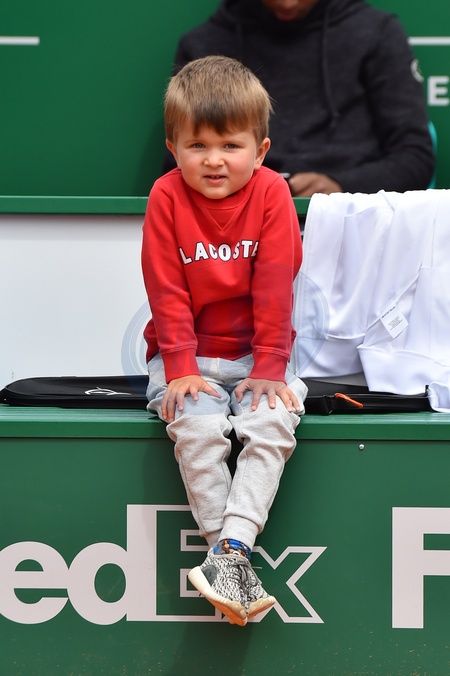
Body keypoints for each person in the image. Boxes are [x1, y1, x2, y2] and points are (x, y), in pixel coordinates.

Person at [141, 55, 307, 626]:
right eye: (198, 145)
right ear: (173, 147)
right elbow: (165, 289)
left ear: (260, 151)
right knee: (198, 428)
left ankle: (232, 549)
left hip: (257, 355)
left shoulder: (272, 193)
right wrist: (180, 368)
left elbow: (275, 287)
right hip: (185, 356)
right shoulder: (165, 196)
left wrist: (270, 366)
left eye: (231, 145)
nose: (213, 160)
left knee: (273, 423)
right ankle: (229, 561)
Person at [164, 0, 435, 196]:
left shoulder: (376, 32)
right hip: (237, 225)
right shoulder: (204, 43)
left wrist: (341, 186)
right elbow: (179, 165)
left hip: (352, 221)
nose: (287, 3)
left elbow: (415, 157)